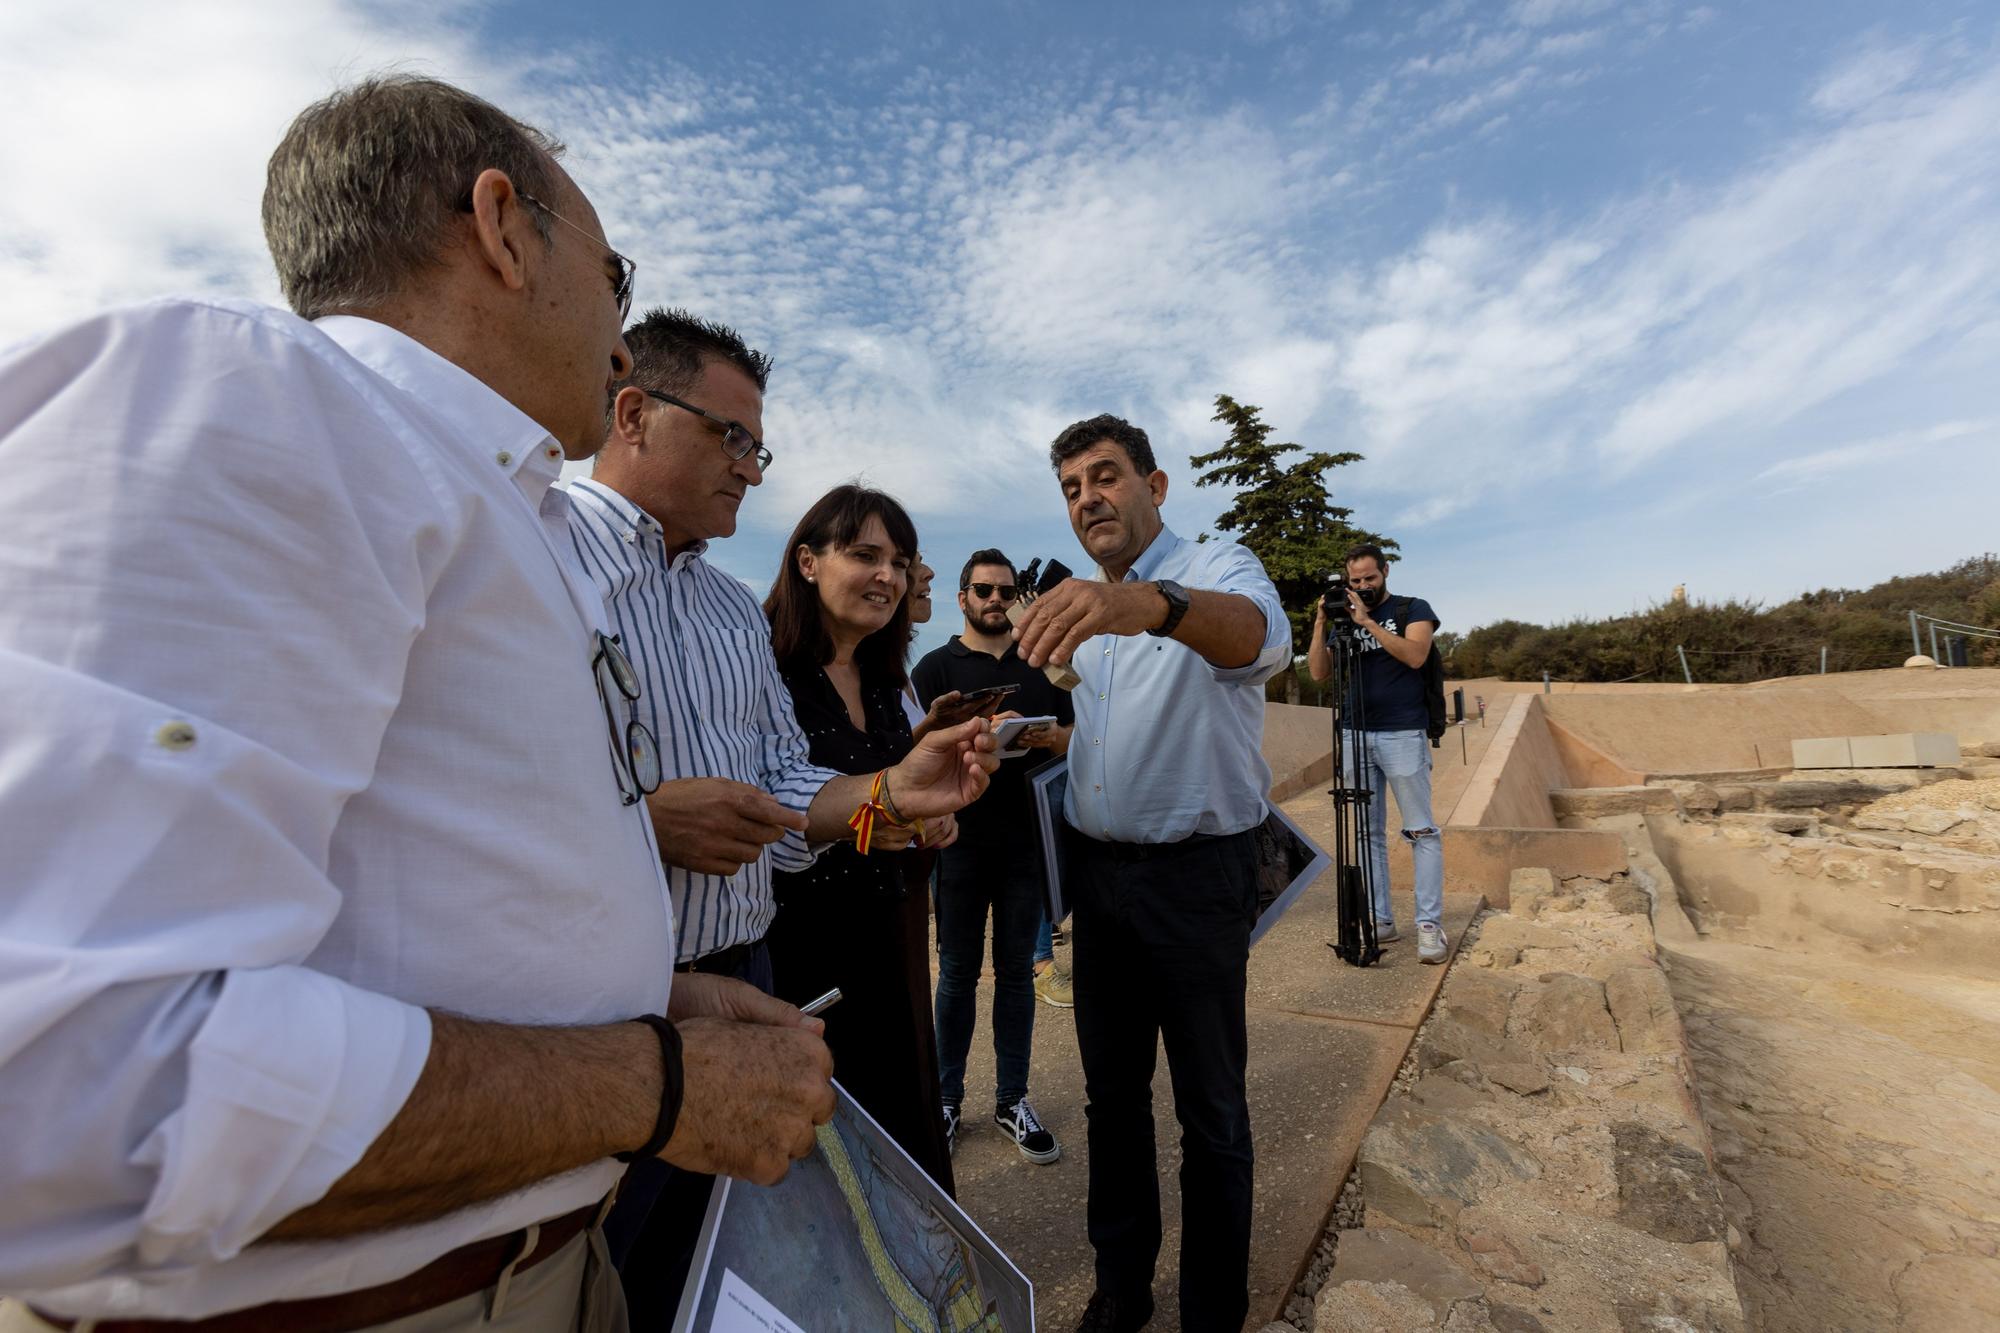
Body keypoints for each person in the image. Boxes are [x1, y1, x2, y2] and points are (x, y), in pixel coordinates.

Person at [0, 76, 866, 1333]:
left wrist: (645, 999)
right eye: (613, 277)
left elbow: (403, 909)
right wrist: (656, 1078)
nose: (622, 344)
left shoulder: (450, 489)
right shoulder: (257, 401)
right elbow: (73, 1085)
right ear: (503, 225)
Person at [566, 313, 998, 1321]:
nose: (750, 471)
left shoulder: (725, 612)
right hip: (604, 1001)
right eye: (732, 439)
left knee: (734, 1260)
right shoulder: (537, 561)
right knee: (607, 1277)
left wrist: (896, 790)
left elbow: (782, 780)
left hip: (748, 978)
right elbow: (478, 789)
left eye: (758, 447)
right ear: (632, 413)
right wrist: (636, 823)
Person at [1011, 414, 1291, 1333]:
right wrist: (1029, 734)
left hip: (1196, 879)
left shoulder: (1215, 566)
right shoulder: (1083, 607)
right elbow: (1106, 729)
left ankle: (1212, 1311)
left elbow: (1261, 640)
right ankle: (1120, 1287)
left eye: (1105, 477)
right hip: (1100, 882)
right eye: (1071, 488)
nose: (1088, 498)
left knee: (1210, 1108)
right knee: (1111, 1099)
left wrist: (1147, 604)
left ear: (1154, 485)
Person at [762, 486, 962, 1193]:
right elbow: (759, 807)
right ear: (808, 562)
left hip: (897, 942)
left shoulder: (885, 677)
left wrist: (935, 816)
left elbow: (901, 789)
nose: (889, 576)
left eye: (900, 561)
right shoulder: (765, 671)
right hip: (806, 957)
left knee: (904, 1137)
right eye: (866, 554)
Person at [913, 549, 1076, 1164]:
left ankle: (1012, 1099)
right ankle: (946, 1100)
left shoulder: (1042, 664)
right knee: (955, 975)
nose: (996, 600)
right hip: (958, 845)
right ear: (962, 597)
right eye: (983, 590)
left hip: (1026, 845)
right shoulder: (934, 668)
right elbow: (911, 751)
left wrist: (1039, 733)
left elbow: (1076, 731)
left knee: (1015, 976)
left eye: (1006, 591)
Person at [1304, 544, 1447, 962]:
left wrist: (1369, 622)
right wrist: (1320, 622)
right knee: (1366, 833)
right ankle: (1381, 918)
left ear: (1385, 571)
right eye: (1355, 582)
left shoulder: (1412, 609)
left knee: (1421, 830)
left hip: (1402, 732)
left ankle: (1428, 926)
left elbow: (1416, 655)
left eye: (1370, 579)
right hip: (1353, 733)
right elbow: (1317, 672)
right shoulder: (1342, 620)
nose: (1363, 587)